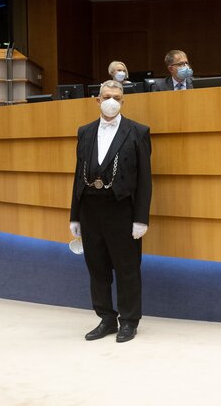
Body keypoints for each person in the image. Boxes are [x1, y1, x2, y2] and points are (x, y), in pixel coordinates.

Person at [69, 80, 152, 343]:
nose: (111, 101)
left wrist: (140, 219)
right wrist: (75, 214)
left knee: (127, 268)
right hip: (91, 209)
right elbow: (77, 176)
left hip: (121, 211)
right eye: (107, 96)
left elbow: (145, 179)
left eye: (117, 97)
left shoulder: (138, 131)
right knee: (97, 267)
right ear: (97, 99)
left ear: (123, 101)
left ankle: (128, 320)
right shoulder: (84, 132)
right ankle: (106, 318)